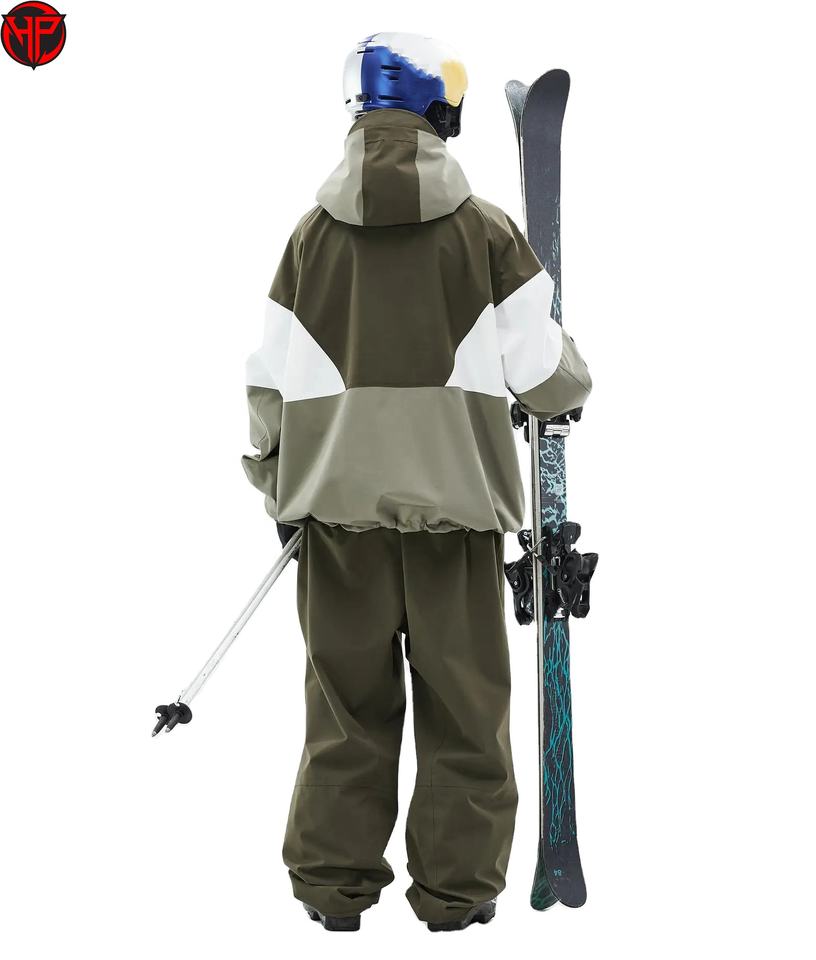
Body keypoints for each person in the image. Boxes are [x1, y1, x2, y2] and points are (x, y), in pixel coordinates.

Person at [242, 31, 591, 933]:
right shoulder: (486, 233)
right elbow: (542, 369)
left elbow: (269, 384)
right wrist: (572, 384)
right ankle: (455, 896)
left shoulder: (309, 240)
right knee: (465, 716)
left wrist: (277, 487)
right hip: (456, 525)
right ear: (437, 102)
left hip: (336, 530)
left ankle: (331, 889)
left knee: (344, 716)